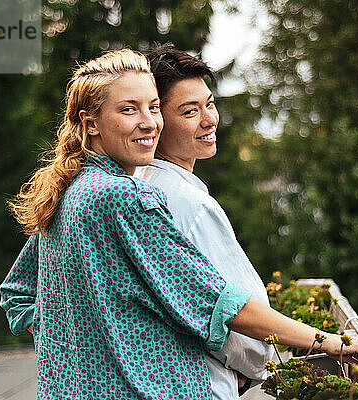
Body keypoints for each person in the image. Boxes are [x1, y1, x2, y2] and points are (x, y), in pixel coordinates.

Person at [0, 48, 358, 400]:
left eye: (152, 108)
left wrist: (79, 345)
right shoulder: (122, 197)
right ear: (91, 123)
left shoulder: (69, 189)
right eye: (129, 109)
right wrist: (331, 343)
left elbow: (18, 294)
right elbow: (221, 304)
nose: (149, 122)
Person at [134, 44, 270, 399]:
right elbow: (238, 312)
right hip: (200, 384)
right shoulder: (188, 204)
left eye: (209, 103)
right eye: (190, 111)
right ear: (156, 119)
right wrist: (252, 369)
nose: (210, 119)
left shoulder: (131, 187)